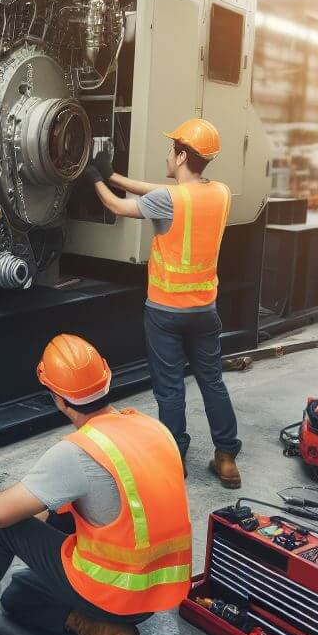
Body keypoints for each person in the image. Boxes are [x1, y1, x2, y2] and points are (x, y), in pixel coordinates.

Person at [0, 334, 191, 635]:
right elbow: (122, 501)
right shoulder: (153, 428)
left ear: (59, 399)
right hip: (154, 595)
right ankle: (101, 629)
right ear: (107, 378)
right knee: (18, 595)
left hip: (113, 592)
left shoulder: (80, 451)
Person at [84, 118, 243, 487]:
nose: (167, 154)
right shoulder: (219, 192)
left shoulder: (167, 200)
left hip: (165, 312)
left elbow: (118, 207)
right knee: (213, 383)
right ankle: (226, 457)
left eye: (172, 148)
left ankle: (175, 455)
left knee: (170, 389)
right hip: (205, 311)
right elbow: (164, 192)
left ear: (182, 154)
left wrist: (94, 178)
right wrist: (115, 174)